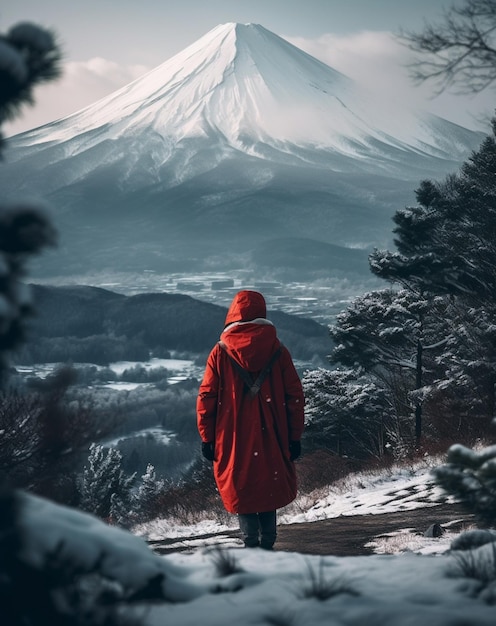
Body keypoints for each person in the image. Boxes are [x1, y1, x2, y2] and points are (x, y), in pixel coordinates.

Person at [197, 290, 304, 550]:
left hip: (232, 434)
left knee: (242, 484)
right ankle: (268, 542)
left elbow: (207, 397)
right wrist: (294, 436)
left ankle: (250, 544)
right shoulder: (278, 350)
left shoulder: (220, 352)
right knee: (268, 481)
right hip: (273, 431)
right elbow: (295, 396)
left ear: (232, 314)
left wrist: (207, 437)